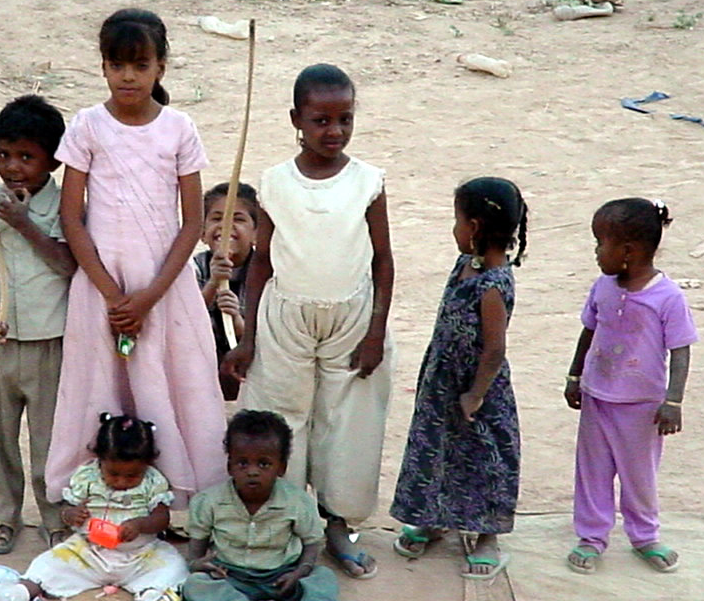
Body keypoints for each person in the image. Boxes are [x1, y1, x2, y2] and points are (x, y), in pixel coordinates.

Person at [45, 8, 226, 509]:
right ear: (103, 66)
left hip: (163, 287)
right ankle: (94, 496)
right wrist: (112, 294)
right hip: (101, 287)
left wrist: (147, 297)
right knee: (100, 382)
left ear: (160, 67)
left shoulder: (179, 129)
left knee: (173, 381)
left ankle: (179, 499)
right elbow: (72, 217)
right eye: (117, 65)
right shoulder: (87, 126)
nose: (128, 76)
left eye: (140, 65)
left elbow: (191, 222)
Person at [222, 64, 394, 579]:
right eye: (321, 120)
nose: (334, 131)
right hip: (284, 318)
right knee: (284, 416)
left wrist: (375, 333)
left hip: (352, 317)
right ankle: (288, 524)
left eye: (345, 119)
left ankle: (337, 525)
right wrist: (248, 338)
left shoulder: (368, 182)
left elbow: (383, 261)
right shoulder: (275, 182)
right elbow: (262, 263)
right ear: (296, 119)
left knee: (347, 424)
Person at [0, 95, 77, 554]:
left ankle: (54, 518)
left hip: (49, 341)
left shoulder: (66, 204)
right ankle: (4, 515)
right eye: (4, 154)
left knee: (49, 438)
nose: (12, 167)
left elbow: (67, 264)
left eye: (27, 156)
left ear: (53, 160)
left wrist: (25, 224)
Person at [391, 176, 528, 581]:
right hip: (443, 384)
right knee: (438, 452)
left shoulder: (492, 284)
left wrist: (475, 394)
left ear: (474, 227)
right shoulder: (466, 265)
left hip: (478, 390)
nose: (454, 229)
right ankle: (435, 519)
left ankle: (487, 537)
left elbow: (494, 349)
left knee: (485, 459)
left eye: (457, 220)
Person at [564, 198, 695, 575]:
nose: (595, 252)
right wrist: (575, 376)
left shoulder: (667, 297)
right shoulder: (602, 287)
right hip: (597, 397)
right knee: (592, 471)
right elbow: (589, 330)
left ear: (628, 251)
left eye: (599, 243)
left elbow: (681, 349)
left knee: (639, 474)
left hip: (642, 406)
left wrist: (673, 401)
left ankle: (644, 535)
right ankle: (592, 536)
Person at [0, 414, 188, 601]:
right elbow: (66, 509)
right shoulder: (87, 477)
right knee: (48, 563)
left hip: (140, 555)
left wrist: (140, 525)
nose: (121, 481)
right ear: (100, 460)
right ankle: (19, 593)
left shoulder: (153, 481)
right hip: (89, 552)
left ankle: (153, 595)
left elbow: (162, 518)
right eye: (113, 474)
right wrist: (71, 514)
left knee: (172, 566)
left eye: (132, 476)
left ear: (147, 463)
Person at [183, 410, 338, 601]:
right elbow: (195, 557)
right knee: (196, 584)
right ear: (229, 466)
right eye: (242, 463)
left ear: (281, 468)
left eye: (264, 464)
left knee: (323, 578)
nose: (252, 472)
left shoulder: (297, 501)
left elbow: (312, 543)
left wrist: (299, 572)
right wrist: (199, 565)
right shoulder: (209, 501)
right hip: (230, 576)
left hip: (282, 575)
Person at [193, 182, 258, 401]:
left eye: (238, 219)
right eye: (216, 218)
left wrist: (239, 325)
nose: (226, 226)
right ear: (202, 233)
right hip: (203, 358)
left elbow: (271, 333)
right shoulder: (194, 268)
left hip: (251, 362)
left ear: (257, 233)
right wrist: (212, 284)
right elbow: (184, 322)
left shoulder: (265, 272)